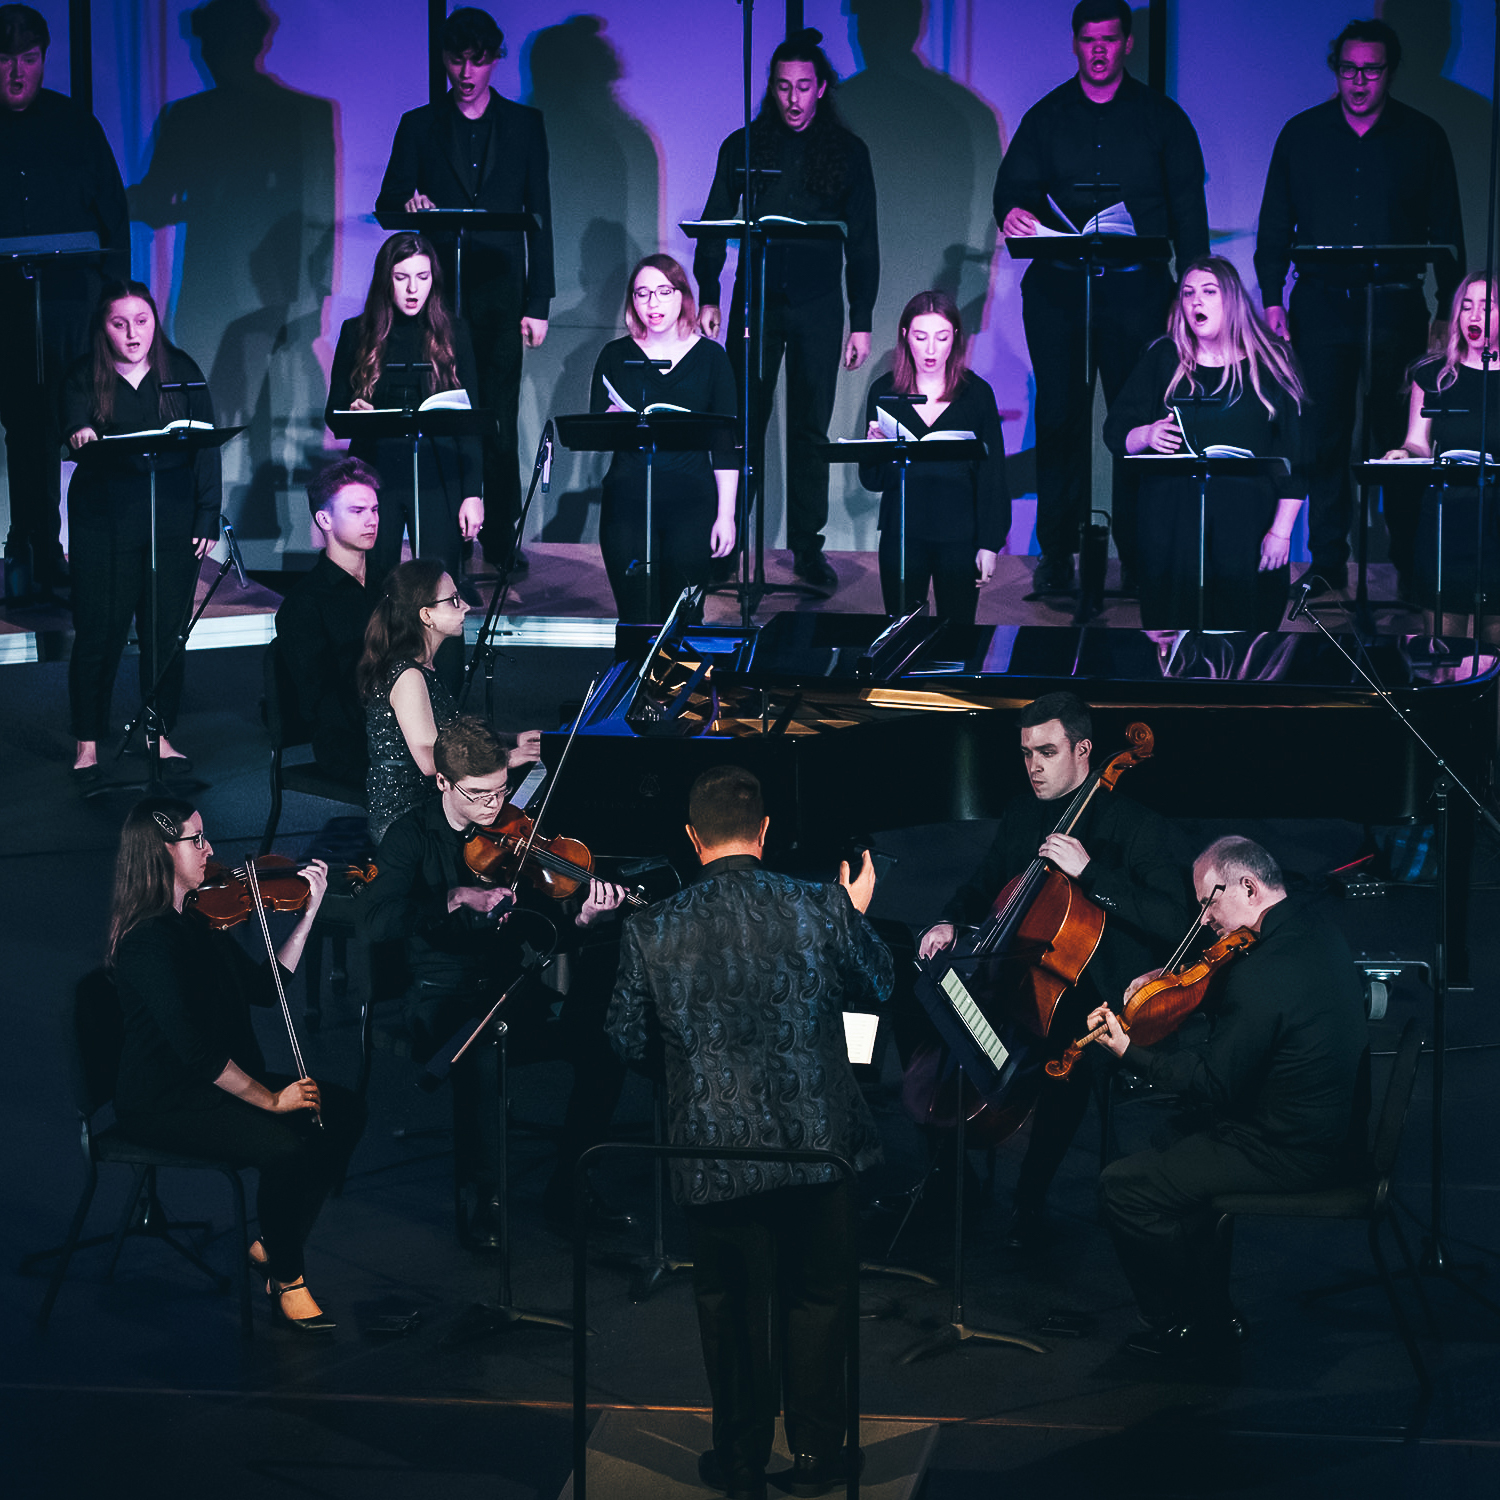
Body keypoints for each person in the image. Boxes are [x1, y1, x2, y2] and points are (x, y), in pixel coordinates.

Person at [607, 766, 891, 1500]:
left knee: (729, 1310)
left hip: (712, 1151)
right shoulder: (820, 906)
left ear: (692, 837)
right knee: (820, 1299)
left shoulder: (651, 927)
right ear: (764, 832)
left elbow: (624, 1039)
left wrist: (687, 1071)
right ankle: (819, 1458)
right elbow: (883, 984)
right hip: (817, 1147)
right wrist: (854, 912)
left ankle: (737, 1457)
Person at [918, 691, 1193, 1250]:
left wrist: (1092, 873)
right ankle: (949, 1175)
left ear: (1085, 749)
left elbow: (1172, 921)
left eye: (1046, 752)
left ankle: (1030, 1197)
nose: (1033, 766)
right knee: (930, 999)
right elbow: (984, 879)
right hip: (1025, 974)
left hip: (1103, 990)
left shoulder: (1138, 826)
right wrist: (948, 921)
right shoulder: (1024, 813)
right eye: (1026, 753)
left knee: (1064, 1056)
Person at [358, 716, 630, 1244]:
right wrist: (451, 898)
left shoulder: (513, 834)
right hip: (440, 995)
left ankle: (570, 1187)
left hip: (511, 986)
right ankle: (480, 1201)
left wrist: (579, 923)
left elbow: (540, 929)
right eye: (479, 795)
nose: (493, 807)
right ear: (443, 783)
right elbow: (374, 920)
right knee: (481, 1055)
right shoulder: (409, 838)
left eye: (501, 791)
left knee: (605, 1046)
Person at [1094, 836, 1367, 1359]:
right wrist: (1173, 986)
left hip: (1291, 1150)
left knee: (1122, 1188)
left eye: (1207, 903)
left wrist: (1130, 1051)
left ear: (1247, 885)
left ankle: (1180, 1322)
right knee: (1171, 1138)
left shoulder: (1263, 973)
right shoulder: (1315, 932)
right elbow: (1254, 1011)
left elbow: (1213, 1081)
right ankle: (1211, 1309)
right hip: (1330, 1130)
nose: (1203, 921)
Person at [108, 796, 366, 1332]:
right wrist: (272, 1100)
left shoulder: (199, 916)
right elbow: (196, 1055)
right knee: (285, 1149)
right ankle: (288, 1280)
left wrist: (310, 911)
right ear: (160, 852)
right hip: (166, 1098)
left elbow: (265, 988)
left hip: (211, 1081)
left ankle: (275, 1242)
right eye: (195, 840)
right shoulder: (147, 943)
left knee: (342, 1111)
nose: (209, 849)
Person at [993, 0, 1209, 597]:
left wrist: (1192, 300)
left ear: (1128, 44)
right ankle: (1057, 554)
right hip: (1060, 290)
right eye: (1088, 40)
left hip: (1139, 292)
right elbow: (1011, 191)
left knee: (1137, 420)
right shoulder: (1048, 117)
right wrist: (1012, 211)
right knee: (1060, 419)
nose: (1098, 50)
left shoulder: (1162, 119)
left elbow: (1190, 215)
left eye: (1109, 40)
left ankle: (1140, 557)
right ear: (1074, 43)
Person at [1255, 17, 1464, 597]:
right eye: (1349, 70)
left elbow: (1448, 231)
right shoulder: (1302, 134)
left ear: (1389, 72)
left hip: (1396, 306)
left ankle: (1404, 559)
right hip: (1321, 305)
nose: (1359, 81)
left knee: (1397, 436)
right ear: (1336, 70)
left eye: (1371, 71)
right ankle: (1327, 560)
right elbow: (1274, 225)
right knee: (1320, 434)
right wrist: (1273, 297)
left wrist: (1447, 312)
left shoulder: (1423, 136)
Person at [694, 28, 879, 593]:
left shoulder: (848, 153)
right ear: (771, 89)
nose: (794, 99)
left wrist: (862, 318)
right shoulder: (745, 145)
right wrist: (708, 292)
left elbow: (864, 240)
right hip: (756, 299)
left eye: (804, 87)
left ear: (821, 88)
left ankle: (806, 548)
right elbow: (714, 223)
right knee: (742, 423)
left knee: (809, 429)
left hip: (819, 305)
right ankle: (725, 544)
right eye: (782, 87)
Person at [376, 5, 553, 576]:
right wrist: (411, 203)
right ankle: (448, 539)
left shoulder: (525, 125)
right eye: (457, 59)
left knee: (496, 418)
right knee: (444, 412)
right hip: (438, 296)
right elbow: (388, 204)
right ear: (445, 60)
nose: (467, 71)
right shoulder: (419, 124)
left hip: (502, 293)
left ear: (495, 59)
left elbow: (541, 213)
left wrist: (539, 301)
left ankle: (500, 538)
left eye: (478, 60)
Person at [62, 282, 219, 784]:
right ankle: (87, 744)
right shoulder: (84, 376)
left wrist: (206, 515)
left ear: (156, 321)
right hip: (103, 525)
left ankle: (159, 732)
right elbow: (69, 427)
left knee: (165, 635)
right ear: (103, 328)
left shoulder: (182, 371)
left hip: (170, 523)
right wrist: (80, 434)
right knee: (99, 633)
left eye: (142, 321)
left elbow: (206, 447)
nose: (133, 334)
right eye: (119, 323)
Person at [1103, 257, 1311, 631]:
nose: (1196, 302)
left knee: (1244, 643)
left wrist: (1281, 532)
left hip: (1246, 527)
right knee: (1173, 643)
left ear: (1231, 300)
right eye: (1188, 294)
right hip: (1172, 528)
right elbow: (1116, 432)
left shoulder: (1272, 362)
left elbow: (1298, 460)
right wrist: (1147, 434)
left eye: (1208, 292)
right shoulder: (1163, 358)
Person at [0, 4, 129, 598]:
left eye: (28, 60)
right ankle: (28, 547)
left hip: (68, 305)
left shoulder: (75, 125)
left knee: (73, 422)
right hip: (6, 306)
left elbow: (112, 218)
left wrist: (115, 307)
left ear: (44, 59)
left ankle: (63, 553)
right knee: (22, 427)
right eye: (5, 61)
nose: (16, 73)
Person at [325, 230, 483, 654]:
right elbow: (334, 413)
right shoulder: (358, 331)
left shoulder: (454, 331)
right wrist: (353, 410)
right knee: (376, 581)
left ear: (434, 280)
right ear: (386, 279)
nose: (413, 289)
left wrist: (473, 493)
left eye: (422, 277)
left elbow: (472, 420)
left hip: (440, 472)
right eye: (401, 277)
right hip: (377, 475)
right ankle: (377, 687)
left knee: (439, 584)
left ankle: (441, 696)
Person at [590, 254, 738, 621]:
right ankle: (633, 681)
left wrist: (726, 514)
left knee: (683, 619)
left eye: (663, 292)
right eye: (642, 294)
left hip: (691, 501)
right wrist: (612, 420)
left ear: (682, 296)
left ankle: (681, 683)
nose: (652, 304)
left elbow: (726, 445)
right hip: (627, 501)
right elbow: (596, 431)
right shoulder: (615, 356)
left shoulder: (711, 358)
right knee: (635, 617)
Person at [357, 558, 540, 848]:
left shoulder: (423, 667)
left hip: (434, 801)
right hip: (409, 816)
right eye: (454, 601)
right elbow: (430, 761)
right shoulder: (408, 677)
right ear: (426, 615)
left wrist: (512, 738)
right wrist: (505, 758)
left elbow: (450, 734)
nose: (466, 606)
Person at [858, 290, 1009, 622]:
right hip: (902, 534)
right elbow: (872, 480)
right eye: (920, 337)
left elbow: (993, 475)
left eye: (941, 338)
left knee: (957, 633)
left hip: (959, 535)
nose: (930, 349)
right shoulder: (886, 392)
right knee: (899, 633)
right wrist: (876, 449)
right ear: (904, 336)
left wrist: (989, 544)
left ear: (955, 337)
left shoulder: (975, 394)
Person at [1382, 273, 1500, 612]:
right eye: (1466, 307)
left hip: (1495, 515)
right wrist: (1404, 453)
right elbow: (1417, 443)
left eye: (1485, 307)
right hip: (1448, 517)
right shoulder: (1434, 375)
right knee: (1444, 637)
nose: (1473, 317)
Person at [273, 458, 382, 788]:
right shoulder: (305, 603)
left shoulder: (389, 584)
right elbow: (319, 700)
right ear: (324, 518)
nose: (372, 520)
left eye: (375, 510)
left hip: (401, 724)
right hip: (351, 743)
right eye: (357, 511)